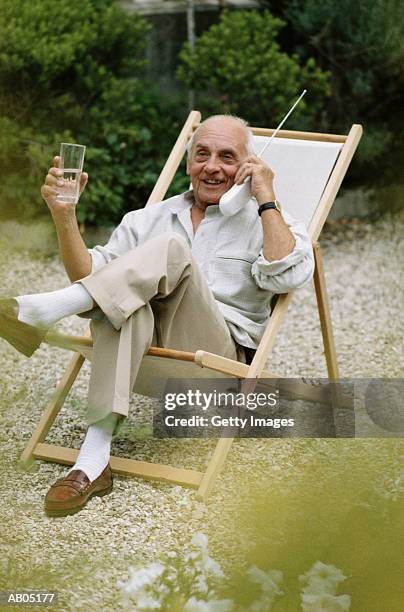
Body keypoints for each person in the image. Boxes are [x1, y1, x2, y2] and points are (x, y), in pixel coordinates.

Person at [0, 115, 314, 516]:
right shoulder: (145, 218)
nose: (212, 166)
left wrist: (266, 197)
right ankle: (92, 462)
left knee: (169, 250)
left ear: (248, 165)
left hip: (214, 368)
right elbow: (91, 279)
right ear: (188, 163)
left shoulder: (268, 220)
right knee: (121, 304)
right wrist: (64, 215)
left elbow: (291, 273)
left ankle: (39, 310)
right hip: (145, 359)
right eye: (202, 154)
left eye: (227, 157)